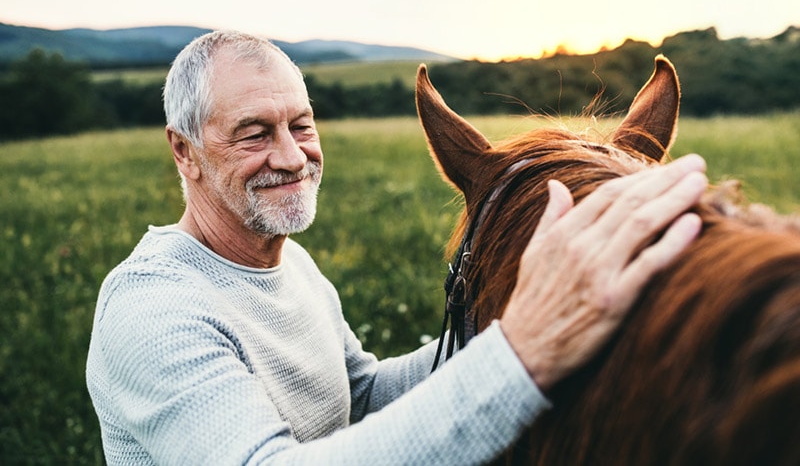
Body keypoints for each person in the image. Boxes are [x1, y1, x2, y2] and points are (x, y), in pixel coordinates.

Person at [86, 30, 708, 464]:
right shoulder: (154, 313)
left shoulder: (289, 266)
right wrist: (522, 353)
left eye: (301, 125)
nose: (290, 155)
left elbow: (358, 399)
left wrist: (498, 324)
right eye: (252, 134)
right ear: (183, 151)